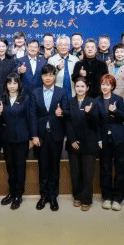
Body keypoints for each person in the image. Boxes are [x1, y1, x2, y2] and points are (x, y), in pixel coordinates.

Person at [31, 63, 70, 211]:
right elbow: (33, 115)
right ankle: (43, 196)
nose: (48, 78)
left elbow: (67, 111)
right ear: (42, 77)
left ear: (54, 76)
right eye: (45, 75)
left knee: (54, 167)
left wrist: (62, 113)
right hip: (40, 136)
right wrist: (34, 135)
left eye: (51, 75)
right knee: (43, 167)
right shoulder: (35, 93)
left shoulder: (62, 92)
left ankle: (53, 197)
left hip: (56, 135)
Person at [0, 73, 38, 210]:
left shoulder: (26, 98)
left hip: (22, 139)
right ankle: (11, 192)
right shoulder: (2, 98)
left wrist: (32, 137)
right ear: (6, 85)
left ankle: (18, 195)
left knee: (20, 168)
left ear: (19, 85)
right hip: (7, 139)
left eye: (15, 83)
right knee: (10, 168)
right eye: (9, 83)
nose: (12, 86)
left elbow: (31, 118)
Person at [65, 77, 102, 211]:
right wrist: (72, 140)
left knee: (87, 174)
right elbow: (67, 122)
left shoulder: (93, 102)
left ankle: (86, 199)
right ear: (74, 88)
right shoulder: (70, 102)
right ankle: (77, 196)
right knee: (75, 173)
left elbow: (96, 123)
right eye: (77, 86)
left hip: (89, 143)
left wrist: (89, 113)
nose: (80, 89)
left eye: (82, 86)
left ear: (87, 88)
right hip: (73, 143)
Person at [96, 75, 124, 211]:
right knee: (105, 168)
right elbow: (96, 123)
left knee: (120, 169)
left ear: (112, 86)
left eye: (108, 85)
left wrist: (116, 111)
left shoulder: (118, 99)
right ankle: (107, 197)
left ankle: (118, 198)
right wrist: (98, 139)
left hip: (119, 138)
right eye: (103, 84)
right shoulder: (96, 101)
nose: (105, 87)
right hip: (104, 139)